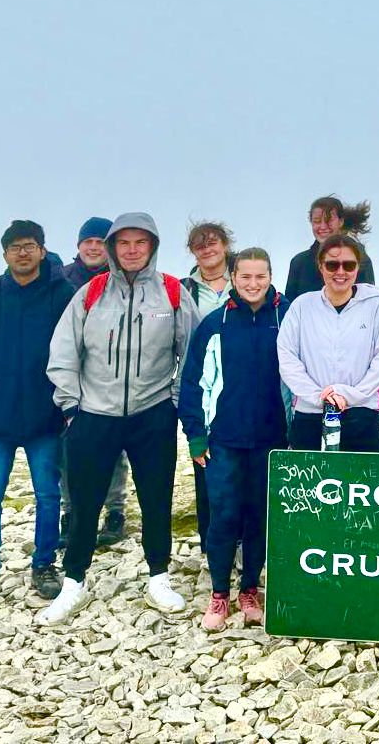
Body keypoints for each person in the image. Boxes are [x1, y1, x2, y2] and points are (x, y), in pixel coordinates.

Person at [39, 213, 200, 625]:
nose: (131, 250)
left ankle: (159, 577)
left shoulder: (172, 292)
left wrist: (176, 399)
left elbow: (195, 351)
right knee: (84, 500)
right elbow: (63, 352)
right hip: (94, 414)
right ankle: (74, 581)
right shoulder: (91, 292)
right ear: (112, 248)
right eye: (123, 243)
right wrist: (72, 406)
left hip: (153, 414)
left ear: (152, 246)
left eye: (140, 243)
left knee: (155, 497)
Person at [0, 221, 75, 610]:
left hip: (46, 419)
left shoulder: (63, 295)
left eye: (30, 246)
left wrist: (71, 409)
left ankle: (44, 566)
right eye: (14, 247)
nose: (22, 253)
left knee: (47, 495)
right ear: (4, 254)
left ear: (42, 250)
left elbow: (79, 353)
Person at [179, 248, 289, 631]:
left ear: (270, 276)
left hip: (272, 439)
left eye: (261, 277)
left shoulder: (286, 316)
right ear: (233, 278)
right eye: (245, 277)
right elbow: (192, 382)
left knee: (259, 515)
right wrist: (195, 433)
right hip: (223, 439)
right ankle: (219, 593)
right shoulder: (215, 323)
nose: (253, 284)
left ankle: (249, 588)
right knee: (223, 517)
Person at [278, 235, 379, 452]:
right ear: (321, 267)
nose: (340, 272)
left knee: (362, 483)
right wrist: (317, 396)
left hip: (362, 413)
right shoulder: (301, 306)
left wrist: (349, 395)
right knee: (308, 484)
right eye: (332, 265)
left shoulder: (378, 307)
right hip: (310, 412)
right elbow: (287, 357)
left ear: (357, 268)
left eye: (348, 265)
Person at [59, 215, 129, 551]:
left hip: (112, 379)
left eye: (100, 242)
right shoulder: (61, 280)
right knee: (68, 450)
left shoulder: (122, 279)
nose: (93, 247)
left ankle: (115, 513)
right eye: (87, 241)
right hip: (74, 379)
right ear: (78, 246)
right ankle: (70, 514)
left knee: (114, 451)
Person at [180, 220, 236, 548]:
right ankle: (210, 543)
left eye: (213, 242)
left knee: (244, 467)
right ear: (192, 251)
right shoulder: (185, 289)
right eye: (200, 245)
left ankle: (245, 543)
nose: (207, 249)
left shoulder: (244, 278)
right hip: (203, 385)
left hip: (245, 380)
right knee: (206, 464)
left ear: (225, 245)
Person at [284, 196, 376, 300]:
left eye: (329, 220)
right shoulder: (298, 262)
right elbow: (290, 307)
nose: (323, 226)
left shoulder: (361, 259)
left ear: (341, 222)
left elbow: (369, 302)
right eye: (317, 221)